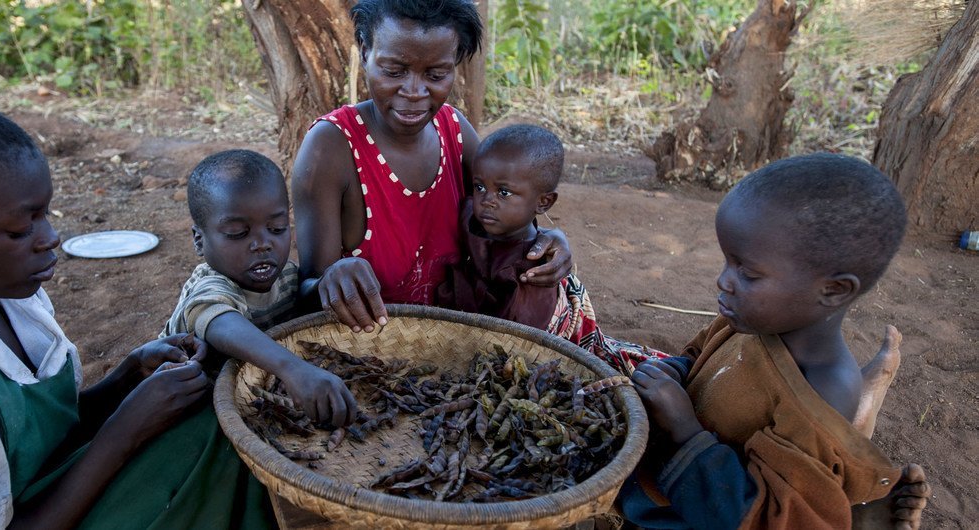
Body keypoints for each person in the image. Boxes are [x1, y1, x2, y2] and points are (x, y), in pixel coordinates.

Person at [0, 92, 273, 529]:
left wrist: (126, 379)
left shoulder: (5, 293)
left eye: (45, 214)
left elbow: (38, 432)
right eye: (20, 229)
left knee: (219, 421)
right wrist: (125, 431)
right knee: (217, 448)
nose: (49, 237)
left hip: (38, 485)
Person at [620, 153, 929, 529]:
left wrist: (685, 428)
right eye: (726, 263)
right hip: (667, 478)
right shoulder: (750, 320)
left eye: (747, 273)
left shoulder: (822, 390)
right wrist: (673, 372)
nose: (723, 281)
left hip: (700, 510)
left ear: (832, 290)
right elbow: (701, 359)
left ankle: (848, 515)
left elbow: (762, 513)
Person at [291, 0, 575, 333]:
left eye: (436, 74)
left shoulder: (453, 130)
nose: (414, 92)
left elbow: (507, 215)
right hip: (369, 346)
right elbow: (307, 295)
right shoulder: (331, 147)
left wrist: (546, 242)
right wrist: (330, 280)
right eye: (394, 71)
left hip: (454, 341)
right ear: (366, 52)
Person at [435, 124, 668, 374]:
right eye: (479, 186)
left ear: (544, 202)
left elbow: (523, 346)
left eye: (503, 192)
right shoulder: (474, 219)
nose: (487, 200)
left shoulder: (531, 273)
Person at [160, 149, 357, 427]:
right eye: (238, 234)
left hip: (254, 400)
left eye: (277, 228)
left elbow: (300, 300)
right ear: (199, 240)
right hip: (189, 411)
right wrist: (294, 369)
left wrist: (329, 282)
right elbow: (219, 320)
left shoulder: (284, 273)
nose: (262, 244)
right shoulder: (210, 285)